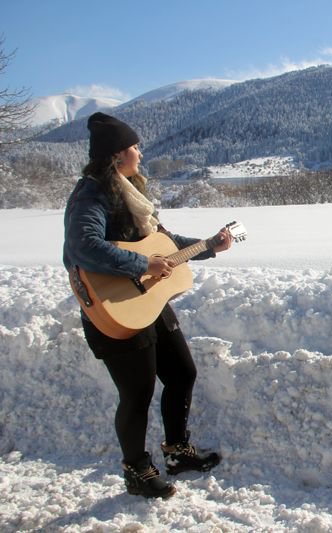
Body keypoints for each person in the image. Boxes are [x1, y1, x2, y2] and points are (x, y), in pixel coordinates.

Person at [63, 112, 233, 499]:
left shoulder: (129, 191)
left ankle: (177, 451)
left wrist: (209, 246)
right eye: (134, 147)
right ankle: (137, 471)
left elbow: (163, 244)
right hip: (113, 306)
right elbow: (82, 247)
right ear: (117, 155)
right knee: (137, 394)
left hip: (147, 300)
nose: (140, 153)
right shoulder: (92, 194)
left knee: (182, 373)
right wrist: (142, 265)